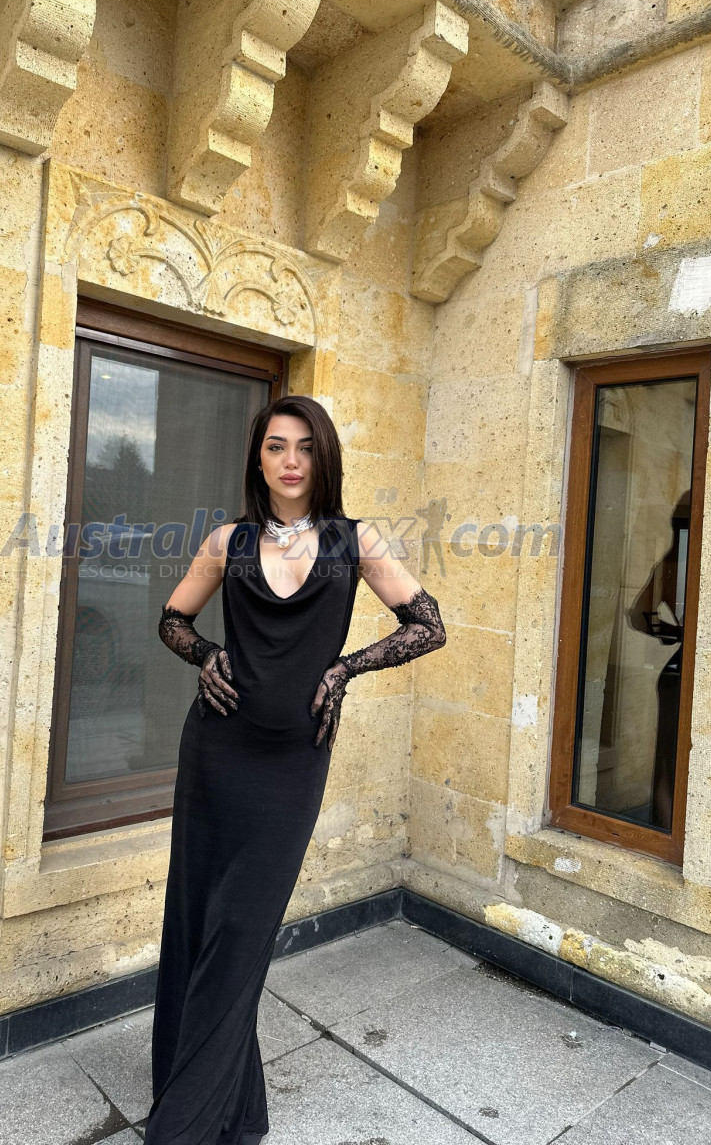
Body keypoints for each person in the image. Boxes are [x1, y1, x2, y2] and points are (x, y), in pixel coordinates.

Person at [145, 394, 447, 1143]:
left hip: (290, 766)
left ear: (323, 457)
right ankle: (228, 1110)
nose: (290, 460)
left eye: (305, 447)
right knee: (198, 924)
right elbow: (172, 620)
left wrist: (345, 669)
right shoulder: (228, 541)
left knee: (241, 935)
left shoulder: (354, 540)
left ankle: (185, 1123)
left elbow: (428, 625)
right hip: (214, 754)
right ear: (258, 456)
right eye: (276, 445)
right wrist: (207, 655)